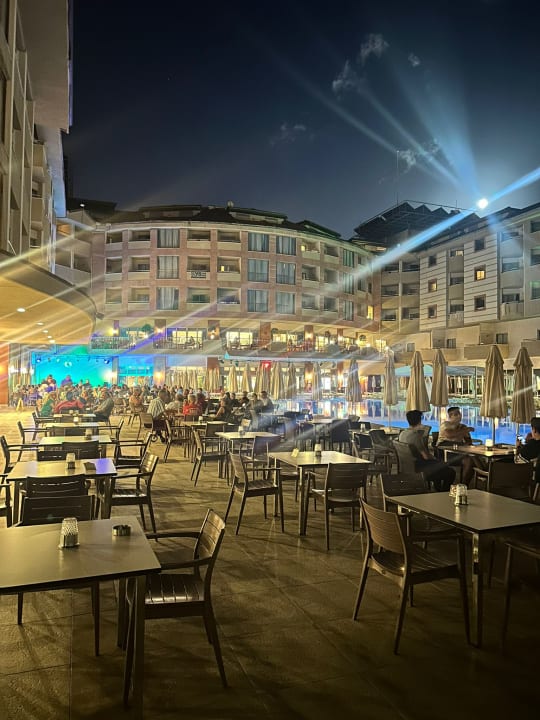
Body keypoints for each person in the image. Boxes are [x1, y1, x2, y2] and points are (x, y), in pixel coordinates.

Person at [399, 410, 455, 492]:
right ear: (419, 421)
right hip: (420, 469)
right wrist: (436, 459)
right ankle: (443, 492)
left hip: (408, 466)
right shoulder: (415, 436)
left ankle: (438, 490)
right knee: (450, 472)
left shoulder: (402, 434)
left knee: (439, 465)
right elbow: (426, 456)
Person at [437, 406, 477, 484]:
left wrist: (469, 444)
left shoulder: (463, 427)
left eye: (459, 414)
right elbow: (449, 434)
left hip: (458, 451)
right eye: (456, 414)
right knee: (471, 459)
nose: (459, 416)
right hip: (445, 452)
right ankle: (465, 484)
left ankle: (465, 484)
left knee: (472, 459)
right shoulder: (445, 424)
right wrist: (466, 430)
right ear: (450, 416)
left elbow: (469, 441)